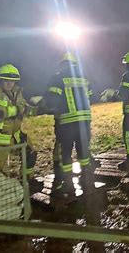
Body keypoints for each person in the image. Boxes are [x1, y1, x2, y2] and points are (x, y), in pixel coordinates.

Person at [44, 53, 93, 194]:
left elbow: (52, 102)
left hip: (66, 123)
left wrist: (45, 106)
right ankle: (85, 177)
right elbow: (91, 97)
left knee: (64, 153)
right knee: (83, 151)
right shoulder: (84, 79)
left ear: (63, 64)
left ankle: (68, 183)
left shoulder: (57, 78)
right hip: (84, 122)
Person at [0, 64, 36, 175]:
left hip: (14, 133)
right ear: (0, 80)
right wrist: (17, 109)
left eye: (12, 81)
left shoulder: (17, 92)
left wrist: (38, 107)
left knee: (30, 152)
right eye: (6, 80)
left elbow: (24, 107)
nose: (9, 83)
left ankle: (27, 181)